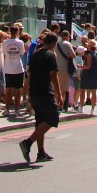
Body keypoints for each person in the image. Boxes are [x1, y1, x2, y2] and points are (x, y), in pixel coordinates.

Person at [19, 31, 63, 164]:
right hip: (45, 91)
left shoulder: (36, 53)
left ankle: (41, 152)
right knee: (52, 118)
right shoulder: (50, 55)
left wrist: (29, 92)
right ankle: (27, 143)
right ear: (54, 43)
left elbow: (29, 73)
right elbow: (53, 75)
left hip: (34, 91)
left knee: (40, 121)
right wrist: (59, 93)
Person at [1, 24, 25, 118]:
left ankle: (7, 109)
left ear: (10, 32)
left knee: (8, 90)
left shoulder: (5, 42)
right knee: (18, 90)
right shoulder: (20, 42)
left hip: (8, 69)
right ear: (18, 32)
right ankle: (17, 109)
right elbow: (22, 53)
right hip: (18, 68)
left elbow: (4, 53)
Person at [79, 38, 97, 115]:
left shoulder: (89, 55)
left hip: (87, 74)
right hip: (95, 74)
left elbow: (88, 66)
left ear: (89, 46)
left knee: (82, 90)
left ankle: (81, 107)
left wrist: (80, 66)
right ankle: (92, 110)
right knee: (93, 92)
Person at [54, 30, 76, 112]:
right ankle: (61, 105)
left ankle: (56, 102)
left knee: (57, 87)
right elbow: (73, 55)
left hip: (57, 67)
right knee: (64, 89)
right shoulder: (67, 44)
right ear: (67, 36)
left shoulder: (56, 44)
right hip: (64, 68)